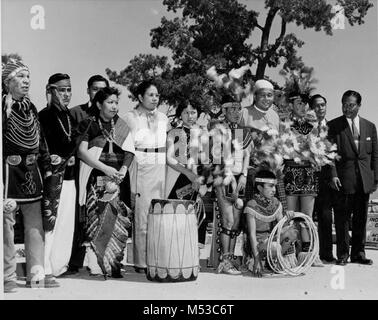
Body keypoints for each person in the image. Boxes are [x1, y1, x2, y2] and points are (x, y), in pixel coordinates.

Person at [2, 59, 59, 291]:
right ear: (8, 82)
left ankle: (36, 273)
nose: (26, 81)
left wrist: (47, 167)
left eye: (28, 77)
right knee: (6, 226)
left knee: (36, 225)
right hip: (8, 173)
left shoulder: (31, 107)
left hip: (32, 172)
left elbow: (40, 140)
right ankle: (6, 276)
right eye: (21, 77)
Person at [77, 86, 135, 277]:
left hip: (119, 179)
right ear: (99, 104)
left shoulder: (122, 125)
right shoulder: (89, 124)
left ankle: (115, 263)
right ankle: (96, 263)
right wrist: (105, 169)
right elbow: (82, 152)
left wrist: (123, 170)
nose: (114, 106)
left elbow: (129, 152)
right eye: (110, 102)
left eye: (116, 102)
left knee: (119, 221)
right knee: (97, 220)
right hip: (96, 178)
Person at [328, 90, 378, 266]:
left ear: (359, 106)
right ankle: (343, 255)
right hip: (343, 179)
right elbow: (329, 154)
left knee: (360, 219)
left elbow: (375, 156)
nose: (346, 108)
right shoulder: (333, 126)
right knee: (342, 219)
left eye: (351, 105)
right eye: (344, 104)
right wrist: (333, 175)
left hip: (364, 180)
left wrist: (375, 179)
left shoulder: (370, 126)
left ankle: (359, 253)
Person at [65, 75, 109, 275]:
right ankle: (73, 262)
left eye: (103, 89)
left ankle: (100, 261)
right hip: (78, 174)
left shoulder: (111, 116)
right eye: (95, 89)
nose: (99, 92)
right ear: (88, 90)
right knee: (78, 217)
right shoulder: (76, 113)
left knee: (101, 217)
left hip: (102, 174)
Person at [125, 80, 168, 273]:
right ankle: (140, 262)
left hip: (160, 167)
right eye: (150, 95)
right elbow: (117, 143)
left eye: (157, 95)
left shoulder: (164, 118)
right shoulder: (128, 117)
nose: (154, 98)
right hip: (140, 165)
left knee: (158, 216)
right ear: (140, 97)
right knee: (141, 217)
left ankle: (156, 259)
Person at [38, 73, 77, 277]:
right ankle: (44, 267)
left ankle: (59, 266)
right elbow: (41, 147)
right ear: (51, 90)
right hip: (52, 177)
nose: (67, 94)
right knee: (50, 222)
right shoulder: (44, 115)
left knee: (66, 222)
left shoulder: (69, 116)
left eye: (69, 89)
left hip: (70, 177)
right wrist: (51, 162)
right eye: (62, 90)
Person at [212, 95, 253, 275]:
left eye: (238, 109)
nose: (236, 112)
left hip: (240, 178)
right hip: (224, 177)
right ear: (225, 110)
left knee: (235, 221)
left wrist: (243, 175)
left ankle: (230, 258)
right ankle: (225, 260)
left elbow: (247, 155)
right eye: (233, 109)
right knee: (227, 219)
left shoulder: (243, 131)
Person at [282, 92, 324, 266]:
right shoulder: (285, 125)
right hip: (291, 171)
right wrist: (307, 154)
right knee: (290, 216)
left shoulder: (313, 126)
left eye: (304, 104)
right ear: (291, 106)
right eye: (298, 103)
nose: (302, 106)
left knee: (307, 217)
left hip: (309, 175)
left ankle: (310, 254)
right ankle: (289, 254)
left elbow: (317, 150)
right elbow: (287, 151)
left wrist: (313, 156)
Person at [244, 170, 295, 277]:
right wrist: (256, 259)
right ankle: (256, 261)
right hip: (257, 245)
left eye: (275, 186)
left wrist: (288, 217)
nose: (274, 190)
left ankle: (273, 262)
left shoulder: (275, 203)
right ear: (260, 188)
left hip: (270, 240)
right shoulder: (251, 205)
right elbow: (252, 235)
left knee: (292, 233)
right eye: (270, 186)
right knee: (274, 246)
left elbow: (282, 227)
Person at [310, 94, 336, 263]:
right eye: (317, 106)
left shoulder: (333, 127)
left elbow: (335, 152)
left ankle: (326, 253)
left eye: (323, 105)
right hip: (308, 176)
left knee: (326, 216)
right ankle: (306, 253)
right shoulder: (305, 127)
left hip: (326, 177)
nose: (320, 108)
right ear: (312, 108)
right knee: (307, 216)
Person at [165, 101, 202, 200]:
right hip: (176, 177)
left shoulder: (202, 134)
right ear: (180, 114)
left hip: (197, 182)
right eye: (186, 112)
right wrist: (189, 174)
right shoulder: (174, 132)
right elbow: (169, 159)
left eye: (193, 112)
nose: (190, 116)